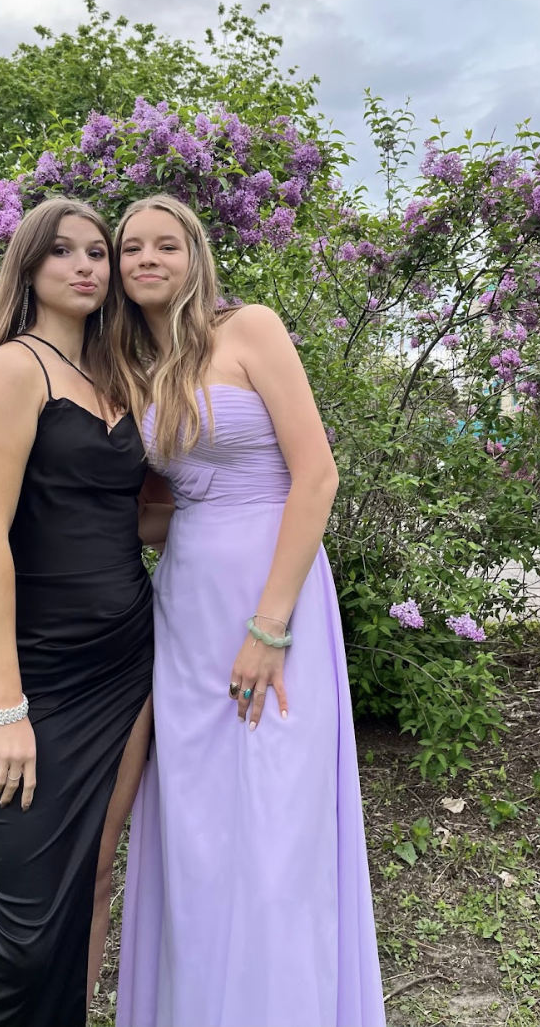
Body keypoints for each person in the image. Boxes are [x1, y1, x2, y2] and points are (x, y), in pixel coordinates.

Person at [111, 195, 387, 1027]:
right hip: (188, 603)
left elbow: (317, 475)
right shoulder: (135, 367)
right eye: (130, 248)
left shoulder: (251, 329)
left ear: (195, 255)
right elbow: (162, 512)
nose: (146, 258)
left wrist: (271, 628)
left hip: (273, 597)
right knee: (197, 819)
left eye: (166, 244)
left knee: (274, 813)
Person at [0, 198, 161, 1027]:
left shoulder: (115, 375)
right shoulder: (16, 367)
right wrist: (7, 705)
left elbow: (131, 515)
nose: (87, 266)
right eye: (64, 252)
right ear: (31, 267)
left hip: (128, 660)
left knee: (98, 877)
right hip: (41, 672)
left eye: (99, 253)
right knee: (28, 933)